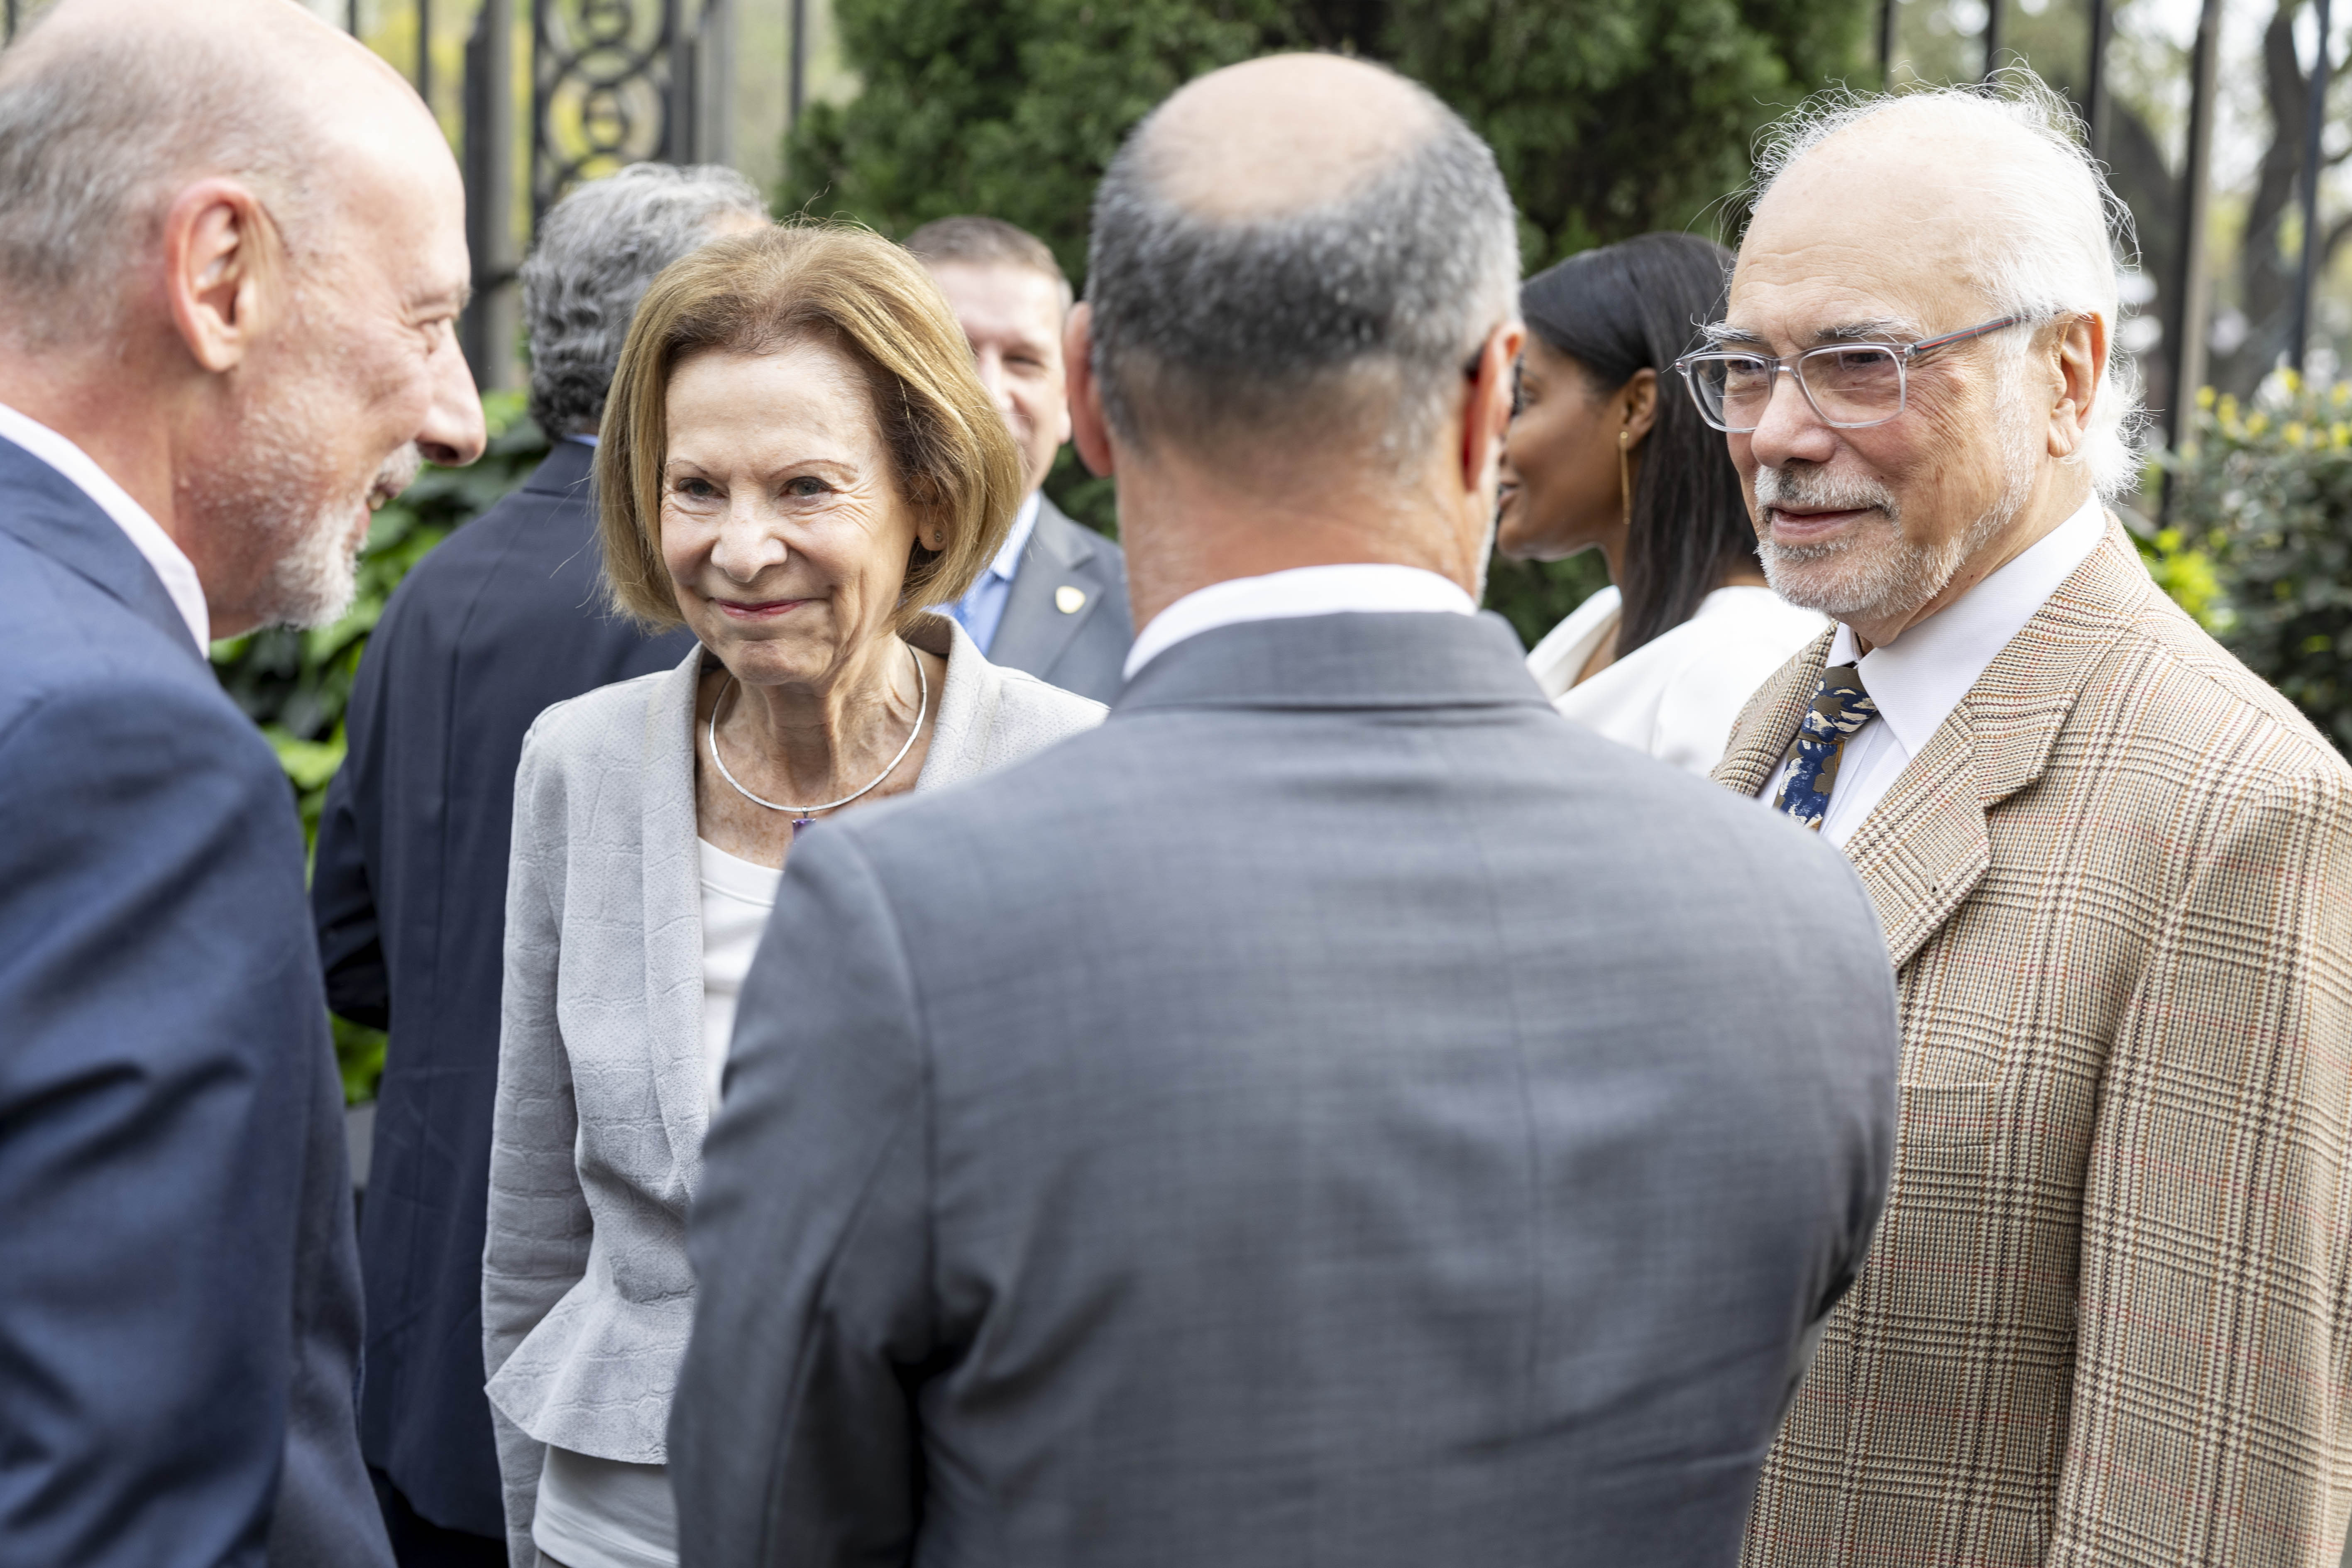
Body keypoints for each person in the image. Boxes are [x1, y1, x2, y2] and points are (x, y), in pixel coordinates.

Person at [672, 53, 1900, 1568]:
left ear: (1089, 390)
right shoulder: (1800, 915)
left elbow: (769, 1514)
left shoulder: (904, 927)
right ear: (1487, 396)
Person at [1697, 75, 2352, 1567]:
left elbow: (2205, 1508)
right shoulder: (1789, 712)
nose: (1777, 432)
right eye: (1745, 367)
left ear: (2066, 377)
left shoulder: (2241, 816)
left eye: (1858, 362)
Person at [480, 223, 1104, 1568]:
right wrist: (530, 1525)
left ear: (927, 495)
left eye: (806, 487)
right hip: (620, 1521)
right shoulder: (579, 765)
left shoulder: (1072, 768)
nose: (742, 547)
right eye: (696, 488)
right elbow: (533, 1226)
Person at [0, 1, 487, 1563]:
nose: (462, 417)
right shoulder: (116, 746)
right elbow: (115, 1505)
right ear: (221, 277)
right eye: (427, 318)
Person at [310, 163, 764, 1567]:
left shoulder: (429, 587)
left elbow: (349, 949)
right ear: (677, 348)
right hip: (600, 1337)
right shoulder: (713, 612)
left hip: (409, 1314)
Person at [1501, 233, 1825, 774]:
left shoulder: (1739, 662)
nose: (1493, 436)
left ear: (1635, 407)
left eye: (1522, 400)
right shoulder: (1603, 618)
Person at [907, 214, 1134, 701]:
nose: (989, 394)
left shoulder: (1140, 613)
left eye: (1023, 361)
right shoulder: (786, 584)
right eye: (955, 353)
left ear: (1067, 398)